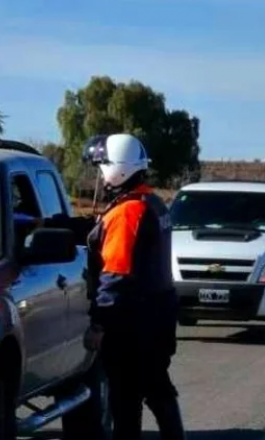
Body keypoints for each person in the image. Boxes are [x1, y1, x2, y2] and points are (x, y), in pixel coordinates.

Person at [81, 134, 185, 440]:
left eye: (103, 165)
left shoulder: (128, 212)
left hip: (133, 322)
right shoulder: (150, 202)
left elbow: (116, 274)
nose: (100, 173)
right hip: (157, 313)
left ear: (119, 168)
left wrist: (99, 324)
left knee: (126, 399)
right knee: (156, 385)